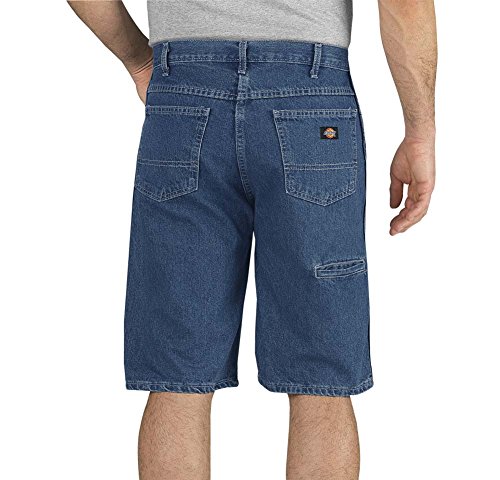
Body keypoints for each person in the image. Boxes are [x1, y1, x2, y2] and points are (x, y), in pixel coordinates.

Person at [68, 1, 437, 478]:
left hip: (184, 94)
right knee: (320, 375)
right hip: (309, 97)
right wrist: (420, 131)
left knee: (179, 375)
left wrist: (139, 60)